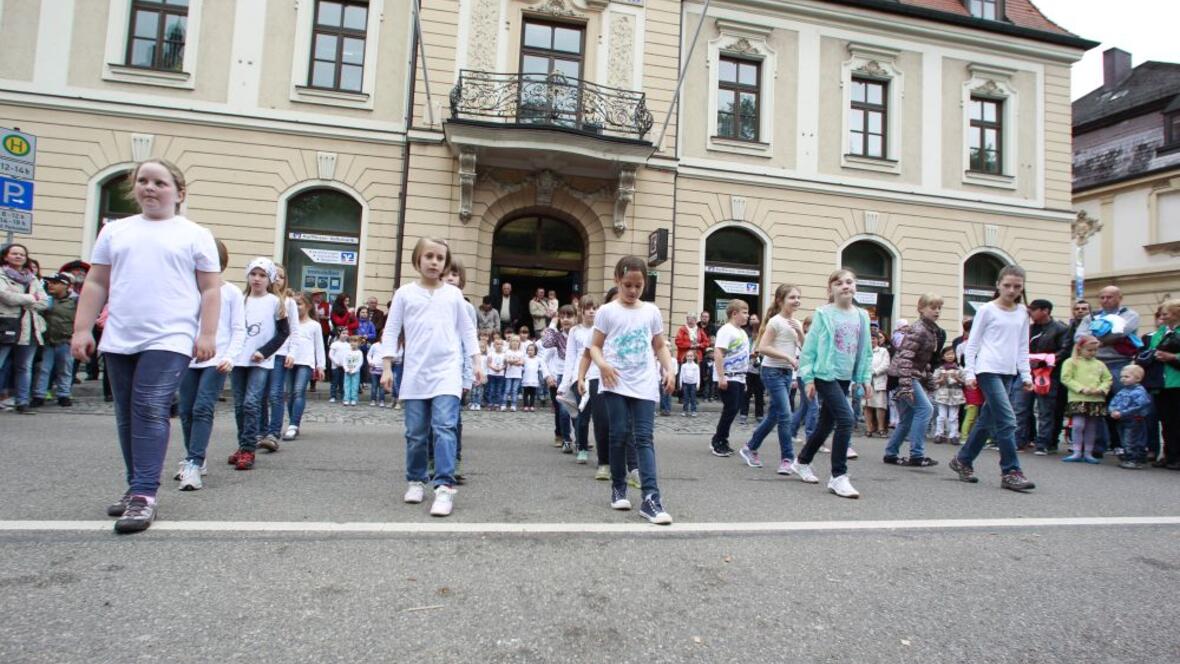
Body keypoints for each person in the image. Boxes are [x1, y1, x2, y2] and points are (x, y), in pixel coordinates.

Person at [71, 158, 221, 533]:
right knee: (126, 413)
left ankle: (144, 494)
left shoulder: (195, 234)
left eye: (159, 182)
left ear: (179, 193)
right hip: (120, 334)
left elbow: (210, 289)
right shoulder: (115, 231)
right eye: (143, 181)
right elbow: (96, 282)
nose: (150, 188)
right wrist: (82, 329)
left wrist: (207, 334)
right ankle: (133, 485)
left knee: (150, 406)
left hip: (170, 335)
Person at [382, 237, 481, 518]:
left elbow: (468, 331)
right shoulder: (405, 294)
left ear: (445, 264)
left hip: (447, 372)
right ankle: (416, 480)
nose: (434, 262)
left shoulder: (453, 295)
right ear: (418, 259)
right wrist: (387, 366)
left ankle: (444, 487)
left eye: (440, 258)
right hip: (415, 373)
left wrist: (477, 362)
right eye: (429, 256)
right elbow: (391, 330)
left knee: (445, 427)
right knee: (415, 433)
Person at [588, 256, 676, 525]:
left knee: (644, 438)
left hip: (644, 383)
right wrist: (603, 365)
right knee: (618, 435)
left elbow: (659, 345)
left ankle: (651, 499)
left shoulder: (651, 311)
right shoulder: (607, 311)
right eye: (627, 285)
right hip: (615, 382)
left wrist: (669, 369)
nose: (633, 290)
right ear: (617, 280)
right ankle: (618, 487)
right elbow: (594, 346)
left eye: (638, 286)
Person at [949, 265, 1036, 491]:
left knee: (987, 421)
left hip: (1009, 372)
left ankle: (963, 460)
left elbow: (1023, 347)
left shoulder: (1022, 312)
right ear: (998, 285)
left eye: (1017, 286)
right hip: (987, 369)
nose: (1011, 290)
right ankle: (1011, 471)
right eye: (1007, 285)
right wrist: (969, 372)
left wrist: (1026, 375)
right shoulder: (987, 310)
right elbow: (972, 343)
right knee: (1007, 420)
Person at [792, 269, 873, 499]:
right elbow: (809, 348)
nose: (845, 286)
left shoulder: (862, 316)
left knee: (826, 424)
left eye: (849, 282)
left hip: (846, 376)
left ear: (855, 286)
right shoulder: (823, 314)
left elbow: (866, 350)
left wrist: (864, 378)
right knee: (846, 419)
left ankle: (802, 461)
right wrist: (808, 378)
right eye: (839, 283)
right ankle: (838, 476)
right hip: (825, 374)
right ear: (831, 290)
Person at [176, 239, 245, 491]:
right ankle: (195, 456)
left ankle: (194, 463)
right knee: (186, 410)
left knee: (202, 408)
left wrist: (230, 357)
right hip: (187, 358)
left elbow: (238, 328)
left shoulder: (231, 292)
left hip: (217, 359)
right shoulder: (186, 290)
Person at [228, 258, 290, 468]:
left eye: (262, 275)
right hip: (239, 359)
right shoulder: (241, 300)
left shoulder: (275, 302)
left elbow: (283, 333)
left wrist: (264, 352)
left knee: (251, 403)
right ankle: (242, 444)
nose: (257, 279)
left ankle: (248, 449)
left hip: (261, 361)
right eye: (253, 274)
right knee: (239, 405)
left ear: (269, 279)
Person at [740, 284, 803, 474]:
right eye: (792, 297)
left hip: (786, 373)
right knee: (785, 414)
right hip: (772, 371)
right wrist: (788, 357)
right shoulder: (775, 322)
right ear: (780, 301)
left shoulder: (796, 323)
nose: (796, 301)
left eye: (798, 297)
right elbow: (763, 347)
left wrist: (800, 333)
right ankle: (787, 459)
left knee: (775, 415)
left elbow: (805, 347)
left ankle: (750, 447)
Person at [1074, 286, 1140, 455]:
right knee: (1096, 406)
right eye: (1102, 297)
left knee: (1124, 405)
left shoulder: (1129, 315)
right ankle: (1097, 446)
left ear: (1119, 297)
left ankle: (1128, 447)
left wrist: (1094, 340)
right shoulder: (1090, 316)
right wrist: (1102, 340)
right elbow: (1079, 337)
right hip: (1095, 364)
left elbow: (1120, 332)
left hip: (1119, 363)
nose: (1105, 300)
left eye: (1109, 297)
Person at [883, 294, 943, 467]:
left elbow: (921, 361)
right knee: (925, 409)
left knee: (907, 418)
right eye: (933, 307)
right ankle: (917, 455)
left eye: (939, 308)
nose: (937, 311)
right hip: (903, 376)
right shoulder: (919, 329)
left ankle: (891, 453)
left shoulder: (930, 330)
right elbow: (906, 358)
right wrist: (906, 386)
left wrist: (928, 379)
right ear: (921, 309)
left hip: (902, 376)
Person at [1016, 299, 1071, 455]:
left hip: (1048, 373)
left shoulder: (1061, 329)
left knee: (1045, 409)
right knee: (1021, 407)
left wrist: (1044, 361)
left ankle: (1044, 443)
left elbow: (1065, 350)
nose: (1030, 313)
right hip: (1027, 371)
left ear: (1045, 310)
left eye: (1033, 310)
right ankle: (1020, 441)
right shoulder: (1027, 328)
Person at [1, 243, 48, 413]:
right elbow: (6, 297)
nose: (19, 256)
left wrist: (23, 300)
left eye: (22, 254)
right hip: (6, 324)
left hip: (30, 328)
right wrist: (31, 298)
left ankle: (22, 402)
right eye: (14, 253)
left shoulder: (32, 278)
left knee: (24, 367)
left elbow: (44, 302)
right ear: (5, 256)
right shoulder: (1, 274)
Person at [259, 264, 298, 452]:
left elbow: (294, 330)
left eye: (281, 277)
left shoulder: (288, 302)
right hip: (260, 354)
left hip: (279, 353)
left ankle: (273, 433)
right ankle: (260, 431)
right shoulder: (259, 300)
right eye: (274, 275)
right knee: (260, 394)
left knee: (275, 394)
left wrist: (292, 352)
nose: (277, 280)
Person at [1060, 335, 1111, 464]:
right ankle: (1077, 451)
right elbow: (1066, 378)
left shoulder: (1100, 364)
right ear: (1080, 349)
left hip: (1096, 399)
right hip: (1078, 398)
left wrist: (1101, 389)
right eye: (1089, 350)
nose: (1092, 353)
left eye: (1095, 350)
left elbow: (1107, 379)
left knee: (1091, 426)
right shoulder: (1071, 362)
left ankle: (1088, 452)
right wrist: (1081, 389)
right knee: (1078, 425)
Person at [709, 300, 750, 457]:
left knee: (734, 408)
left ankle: (721, 439)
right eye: (744, 312)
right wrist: (721, 376)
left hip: (739, 377)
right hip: (728, 376)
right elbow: (719, 352)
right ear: (734, 313)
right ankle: (718, 441)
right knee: (730, 408)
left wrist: (744, 379)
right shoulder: (726, 330)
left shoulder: (742, 332)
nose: (747, 316)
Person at [1142, 299, 1180, 468]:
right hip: (1161, 382)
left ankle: (1177, 457)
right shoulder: (1161, 331)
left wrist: (1172, 357)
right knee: (1166, 421)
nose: (1162, 316)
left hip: (1177, 381)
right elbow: (1153, 348)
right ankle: (1169, 455)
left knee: (1178, 421)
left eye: (1166, 313)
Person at [31, 273, 77, 407]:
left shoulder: (75, 302)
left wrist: (75, 336)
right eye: (49, 283)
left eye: (55, 283)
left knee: (65, 369)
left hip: (66, 341)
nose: (50, 285)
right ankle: (39, 395)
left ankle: (64, 394)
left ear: (66, 286)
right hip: (48, 341)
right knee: (43, 369)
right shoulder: (47, 300)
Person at [284, 292, 326, 439]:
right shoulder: (289, 323)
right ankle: (293, 422)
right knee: (290, 393)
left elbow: (319, 346)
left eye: (299, 304)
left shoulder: (314, 325)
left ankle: (294, 424)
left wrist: (321, 366)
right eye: (294, 304)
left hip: (306, 362)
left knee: (298, 391)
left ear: (308, 306)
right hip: (290, 361)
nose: (296, 307)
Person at [1110, 364, 1153, 469]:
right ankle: (1131, 456)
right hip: (1122, 420)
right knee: (1124, 439)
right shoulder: (1122, 391)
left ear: (1138, 378)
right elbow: (1114, 402)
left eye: (1127, 376)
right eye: (1122, 376)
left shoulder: (1139, 392)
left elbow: (1139, 406)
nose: (1123, 379)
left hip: (1134, 420)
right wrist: (1112, 410)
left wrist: (1122, 412)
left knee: (1131, 440)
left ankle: (1133, 459)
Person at [931, 347, 965, 445]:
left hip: (955, 395)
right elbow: (933, 381)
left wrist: (957, 378)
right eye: (947, 354)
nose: (950, 356)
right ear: (943, 356)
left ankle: (954, 435)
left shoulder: (959, 369)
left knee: (953, 417)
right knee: (941, 416)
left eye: (952, 354)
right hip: (942, 395)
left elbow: (965, 382)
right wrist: (941, 379)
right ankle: (939, 434)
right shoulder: (940, 369)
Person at [739, 312, 765, 426]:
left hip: (760, 369)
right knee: (746, 393)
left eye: (755, 319)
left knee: (759, 393)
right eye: (751, 319)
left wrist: (760, 354)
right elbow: (742, 352)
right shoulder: (746, 337)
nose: (755, 334)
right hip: (748, 369)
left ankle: (759, 415)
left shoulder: (763, 338)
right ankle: (743, 414)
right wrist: (750, 355)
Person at [864, 332, 890, 437]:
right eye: (870, 338)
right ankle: (869, 428)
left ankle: (881, 428)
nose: (872, 340)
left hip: (878, 381)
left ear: (877, 340)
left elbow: (886, 365)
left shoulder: (883, 351)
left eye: (874, 338)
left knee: (880, 406)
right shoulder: (864, 351)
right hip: (865, 382)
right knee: (866, 405)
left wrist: (874, 372)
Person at [521, 343, 547, 413]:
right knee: (525, 394)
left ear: (535, 351)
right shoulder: (525, 359)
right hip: (526, 379)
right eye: (529, 350)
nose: (530, 351)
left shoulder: (538, 359)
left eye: (532, 350)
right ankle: (525, 405)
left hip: (534, 379)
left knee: (533, 394)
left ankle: (532, 405)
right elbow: (522, 367)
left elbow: (541, 367)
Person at [503, 335, 525, 411]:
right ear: (510, 342)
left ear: (519, 343)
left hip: (517, 375)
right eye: (513, 341)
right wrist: (516, 361)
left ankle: (513, 405)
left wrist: (512, 362)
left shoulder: (521, 353)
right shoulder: (508, 351)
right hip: (509, 374)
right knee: (507, 390)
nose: (515, 343)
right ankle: (503, 404)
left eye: (517, 341)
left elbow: (522, 362)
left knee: (515, 390)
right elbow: (507, 360)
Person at [341, 335, 363, 406]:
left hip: (355, 372)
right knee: (346, 385)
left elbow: (360, 362)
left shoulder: (359, 352)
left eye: (355, 341)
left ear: (359, 343)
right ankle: (346, 399)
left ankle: (353, 399)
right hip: (347, 372)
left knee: (354, 386)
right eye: (352, 341)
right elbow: (344, 361)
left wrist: (354, 370)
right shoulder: (346, 352)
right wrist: (347, 369)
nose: (353, 343)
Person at [328, 333, 350, 403]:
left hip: (345, 367)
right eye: (343, 333)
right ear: (339, 334)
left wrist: (347, 364)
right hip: (336, 366)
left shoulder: (348, 345)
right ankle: (333, 396)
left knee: (343, 382)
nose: (345, 335)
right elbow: (330, 355)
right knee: (334, 382)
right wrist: (336, 362)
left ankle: (343, 396)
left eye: (346, 334)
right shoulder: (335, 344)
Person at [485, 337, 506, 412]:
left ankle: (497, 404)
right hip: (492, 374)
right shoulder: (491, 353)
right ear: (494, 345)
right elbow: (488, 363)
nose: (499, 345)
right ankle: (490, 403)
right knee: (491, 389)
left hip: (500, 375)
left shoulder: (504, 354)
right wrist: (494, 368)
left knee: (499, 390)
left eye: (500, 344)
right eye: (497, 344)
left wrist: (500, 368)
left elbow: (505, 364)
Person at [367, 332, 386, 407]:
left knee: (382, 386)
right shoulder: (374, 345)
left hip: (384, 369)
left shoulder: (388, 346)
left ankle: (382, 400)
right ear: (380, 336)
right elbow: (369, 355)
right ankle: (373, 400)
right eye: (382, 336)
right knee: (374, 385)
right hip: (374, 368)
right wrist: (370, 362)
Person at [680, 349, 700, 416]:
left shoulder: (696, 366)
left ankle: (693, 410)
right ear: (686, 357)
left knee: (693, 398)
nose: (689, 357)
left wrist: (698, 384)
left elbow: (698, 375)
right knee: (685, 398)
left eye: (691, 356)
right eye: (688, 356)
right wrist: (680, 383)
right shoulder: (684, 366)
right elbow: (681, 375)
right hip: (685, 384)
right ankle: (685, 410)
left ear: (694, 357)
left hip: (693, 384)